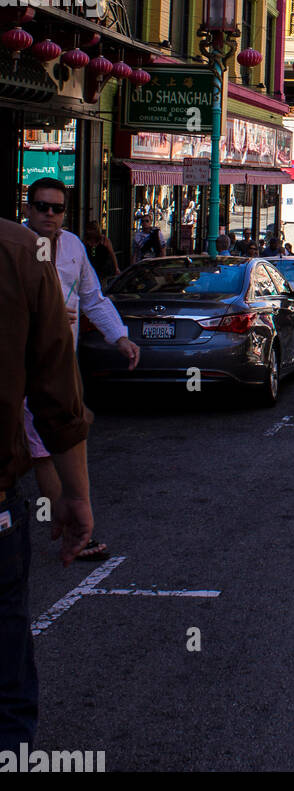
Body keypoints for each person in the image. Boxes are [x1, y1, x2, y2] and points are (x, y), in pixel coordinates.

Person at [1, 216, 95, 751]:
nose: (50, 213)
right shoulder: (18, 251)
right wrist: (75, 498)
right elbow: (57, 394)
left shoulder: (45, 251)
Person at [24, 178, 140, 561]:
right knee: (44, 448)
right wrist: (44, 315)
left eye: (57, 209)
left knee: (62, 439)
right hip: (21, 367)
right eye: (42, 207)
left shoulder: (73, 246)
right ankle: (70, 524)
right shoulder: (15, 248)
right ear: (28, 209)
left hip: (61, 366)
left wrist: (119, 337)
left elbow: (93, 297)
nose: (50, 215)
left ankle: (68, 522)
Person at [83, 220, 118, 286]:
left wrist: (116, 268)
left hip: (102, 269)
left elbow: (112, 254)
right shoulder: (86, 241)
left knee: (102, 285)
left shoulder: (104, 240)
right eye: (89, 229)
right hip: (91, 268)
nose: (90, 232)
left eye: (92, 230)